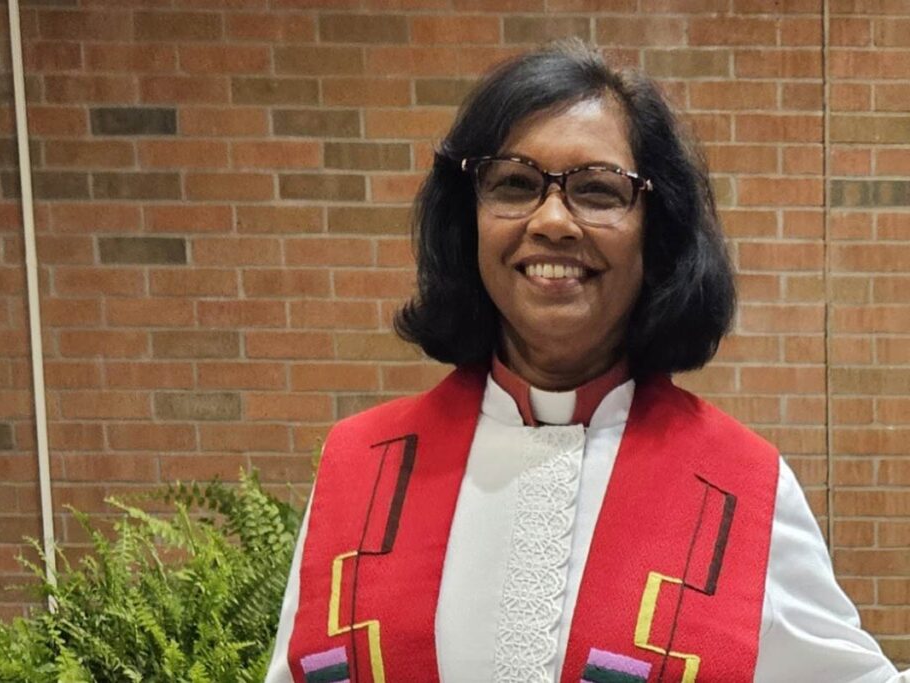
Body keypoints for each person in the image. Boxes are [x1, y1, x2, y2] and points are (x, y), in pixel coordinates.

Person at [265, 43, 905, 683]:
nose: (552, 221)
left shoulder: (738, 490)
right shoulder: (364, 470)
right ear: (469, 219)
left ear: (656, 231)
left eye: (598, 191)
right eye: (515, 184)